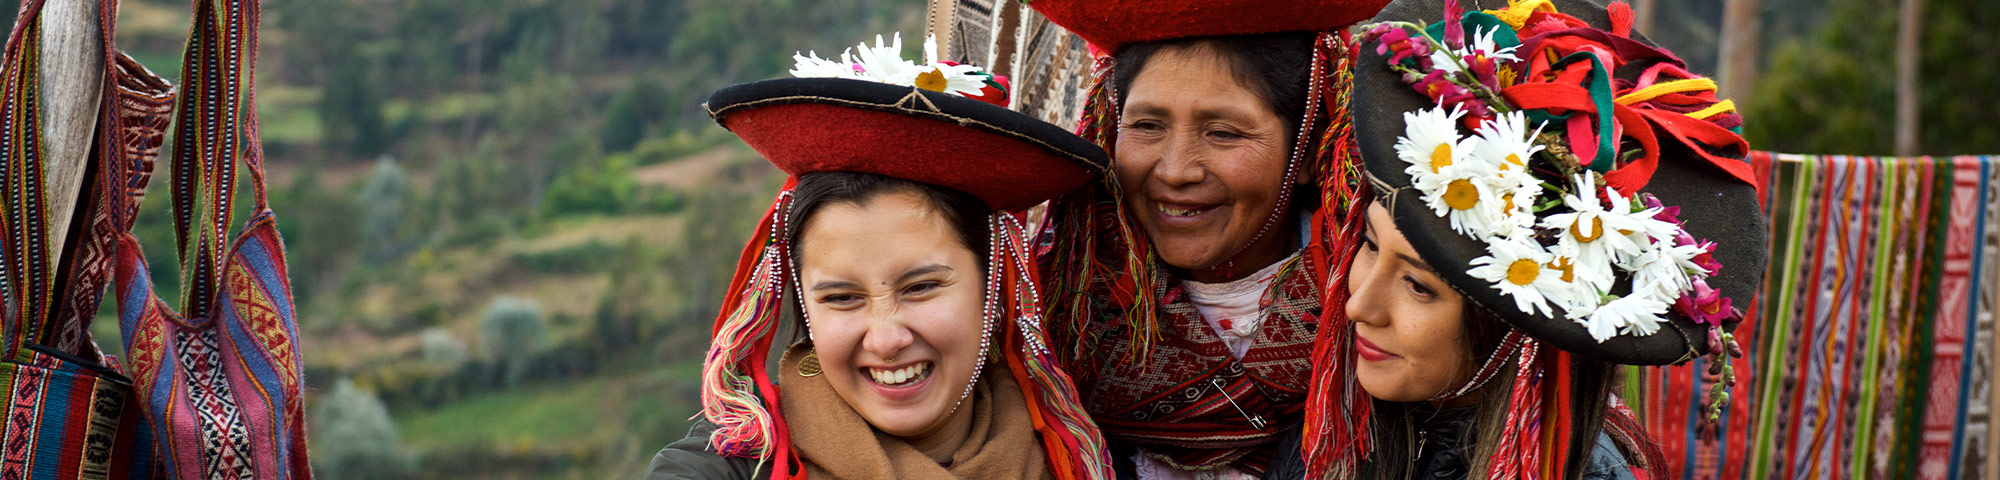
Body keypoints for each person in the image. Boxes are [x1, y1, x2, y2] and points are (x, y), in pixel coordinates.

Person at [1331, 0, 1768, 478]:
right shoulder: (1343, 429)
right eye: (1371, 245)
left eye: (1419, 286)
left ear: (1514, 332)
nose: (1359, 306)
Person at [644, 34, 1113, 479]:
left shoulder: (1082, 456)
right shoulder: (726, 468)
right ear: (804, 305)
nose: (887, 340)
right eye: (843, 298)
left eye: (921, 287)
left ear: (994, 289)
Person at [1022, 1, 1390, 478]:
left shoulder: (1379, 317)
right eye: (1147, 126)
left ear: (1306, 148)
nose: (1175, 170)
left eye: (1223, 133)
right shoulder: (1050, 314)